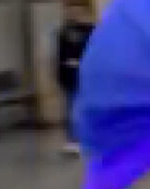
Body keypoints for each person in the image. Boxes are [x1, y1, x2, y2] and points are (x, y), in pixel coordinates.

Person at [55, 1, 94, 156]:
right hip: (70, 76)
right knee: (71, 109)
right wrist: (60, 73)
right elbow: (60, 55)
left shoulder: (91, 31)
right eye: (71, 11)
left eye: (77, 10)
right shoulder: (64, 32)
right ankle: (73, 139)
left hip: (87, 77)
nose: (74, 14)